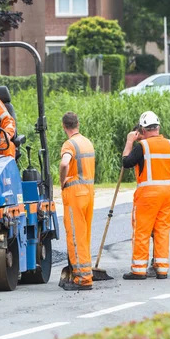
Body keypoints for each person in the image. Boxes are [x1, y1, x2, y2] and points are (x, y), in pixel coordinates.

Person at [122, 111, 170, 280]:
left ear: (142, 130)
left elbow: (126, 162)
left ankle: (139, 269)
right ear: (158, 128)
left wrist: (129, 142)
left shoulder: (142, 147)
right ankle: (162, 268)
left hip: (148, 195)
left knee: (142, 231)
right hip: (167, 194)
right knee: (162, 231)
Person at [59, 112, 95, 291]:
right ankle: (86, 271)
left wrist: (62, 179)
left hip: (75, 194)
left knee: (75, 237)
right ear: (78, 124)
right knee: (84, 236)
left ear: (64, 126)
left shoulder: (69, 144)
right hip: (89, 193)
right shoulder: (87, 142)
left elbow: (65, 163)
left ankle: (82, 278)